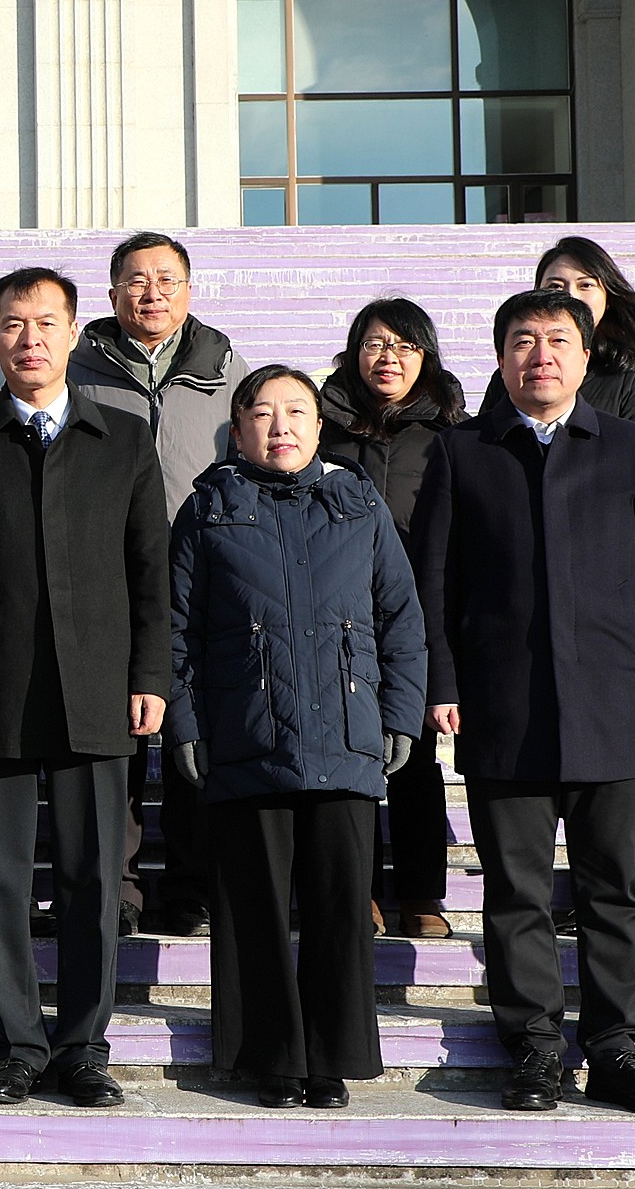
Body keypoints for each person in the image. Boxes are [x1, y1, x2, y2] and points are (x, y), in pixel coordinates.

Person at [412, 289, 635, 1116]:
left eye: (555, 340)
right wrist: (441, 682)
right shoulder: (462, 451)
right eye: (521, 341)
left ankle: (614, 1046)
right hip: (502, 708)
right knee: (516, 890)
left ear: (584, 356)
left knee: (616, 889)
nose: (539, 354)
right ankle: (537, 1045)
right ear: (501, 356)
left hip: (616, 704)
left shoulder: (630, 449)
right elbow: (431, 581)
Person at [0, 267, 169, 1109]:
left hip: (98, 689)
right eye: (14, 324)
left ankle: (83, 1045)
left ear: (72, 334)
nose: (30, 339)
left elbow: (149, 572)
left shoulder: (124, 438)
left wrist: (149, 675)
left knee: (96, 877)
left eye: (46, 323)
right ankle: (18, 1042)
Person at [170, 365, 428, 1110]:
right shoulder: (209, 508)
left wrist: (399, 715)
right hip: (247, 735)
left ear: (320, 426)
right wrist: (186, 724)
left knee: (341, 908)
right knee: (252, 905)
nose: (279, 426)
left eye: (295, 411)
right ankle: (270, 1056)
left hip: (345, 735)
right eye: (261, 412)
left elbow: (399, 620)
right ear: (238, 428)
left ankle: (332, 1056)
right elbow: (178, 631)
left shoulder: (358, 502)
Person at [64, 231, 247, 937]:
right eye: (136, 280)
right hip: (104, 580)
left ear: (190, 290)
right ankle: (119, 889)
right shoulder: (78, 369)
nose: (152, 293)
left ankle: (193, 888)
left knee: (191, 743)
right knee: (112, 745)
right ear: (111, 294)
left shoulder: (226, 370)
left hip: (199, 578)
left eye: (167, 279)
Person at [317, 298, 468, 941]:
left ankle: (420, 895)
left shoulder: (451, 437)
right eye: (376, 344)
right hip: (336, 617)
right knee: (345, 758)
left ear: (426, 357)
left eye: (405, 346)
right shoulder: (321, 430)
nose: (390, 358)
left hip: (417, 619)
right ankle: (356, 893)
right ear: (354, 352)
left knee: (415, 759)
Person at [479, 236, 635, 448]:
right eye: (555, 286)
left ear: (608, 297)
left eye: (586, 285)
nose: (570, 296)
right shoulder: (514, 376)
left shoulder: (634, 378)